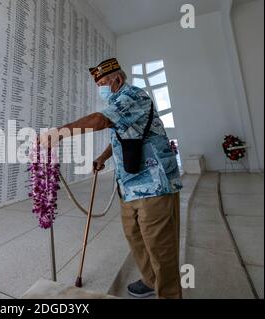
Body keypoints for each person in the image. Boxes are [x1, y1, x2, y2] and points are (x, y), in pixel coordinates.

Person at [40, 58, 183, 299]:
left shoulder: (133, 96)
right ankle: (150, 280)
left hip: (155, 184)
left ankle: (169, 294)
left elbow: (101, 120)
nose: (101, 88)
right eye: (98, 84)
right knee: (134, 235)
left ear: (117, 79)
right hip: (129, 185)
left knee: (160, 245)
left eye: (104, 82)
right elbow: (121, 135)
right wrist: (103, 157)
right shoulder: (118, 103)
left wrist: (60, 132)